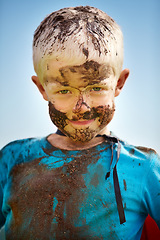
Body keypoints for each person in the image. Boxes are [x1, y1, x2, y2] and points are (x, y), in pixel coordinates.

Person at [0, 6, 160, 240]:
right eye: (64, 90)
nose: (82, 107)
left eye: (96, 88)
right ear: (42, 88)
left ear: (118, 84)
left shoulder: (144, 169)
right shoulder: (13, 160)